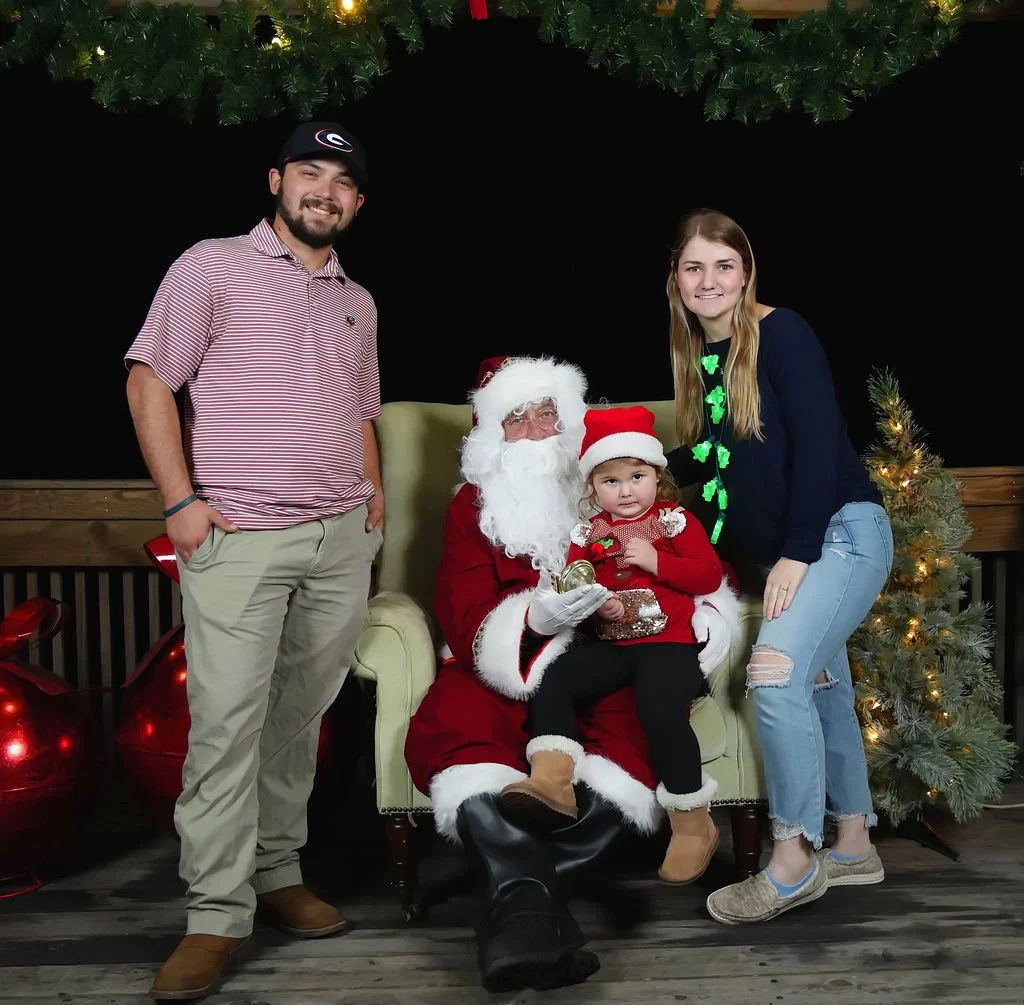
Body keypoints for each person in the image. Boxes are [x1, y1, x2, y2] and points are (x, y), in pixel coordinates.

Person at [124, 120, 383, 1000]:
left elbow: (361, 413)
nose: (324, 190)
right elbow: (148, 378)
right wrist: (181, 504)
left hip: (339, 539)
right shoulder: (212, 266)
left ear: (356, 200)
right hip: (239, 539)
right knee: (228, 724)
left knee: (298, 717)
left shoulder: (359, 300)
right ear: (275, 180)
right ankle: (212, 915)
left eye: (341, 181)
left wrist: (373, 507)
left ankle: (277, 874)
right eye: (308, 172)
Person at [404, 356, 739, 993]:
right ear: (489, 436)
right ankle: (532, 908)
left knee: (636, 734)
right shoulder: (471, 509)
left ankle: (520, 911)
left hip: (617, 659)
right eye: (516, 418)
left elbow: (704, 568)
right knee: (459, 725)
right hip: (505, 665)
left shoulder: (618, 487)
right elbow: (461, 609)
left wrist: (704, 617)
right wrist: (539, 615)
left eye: (546, 413)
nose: (534, 430)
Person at [663, 208, 894, 925]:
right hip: (794, 549)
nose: (709, 280)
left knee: (774, 672)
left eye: (723, 265)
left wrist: (795, 554)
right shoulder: (702, 359)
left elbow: (822, 447)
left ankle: (793, 860)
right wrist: (630, 465)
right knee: (820, 682)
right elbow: (718, 465)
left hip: (842, 535)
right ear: (675, 278)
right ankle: (853, 843)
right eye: (694, 266)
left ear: (746, 271)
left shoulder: (783, 333)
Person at [498, 405, 738, 886]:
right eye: (611, 481)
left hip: (668, 644)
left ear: (656, 476)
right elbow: (573, 586)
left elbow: (709, 574)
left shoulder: (674, 522)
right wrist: (594, 605)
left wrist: (657, 561)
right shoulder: (587, 535)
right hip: (612, 645)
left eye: (636, 476)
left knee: (658, 709)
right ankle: (554, 780)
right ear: (592, 487)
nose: (626, 491)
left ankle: (692, 823)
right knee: (555, 678)